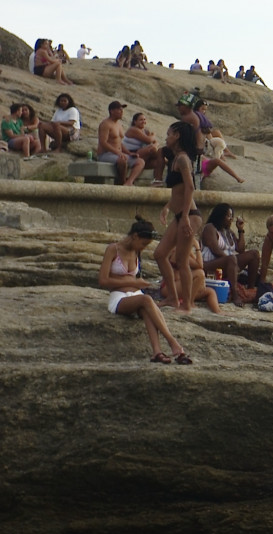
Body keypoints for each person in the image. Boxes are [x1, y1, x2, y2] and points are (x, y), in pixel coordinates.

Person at [98, 217, 191, 363]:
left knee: (147, 309)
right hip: (119, 298)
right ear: (134, 236)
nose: (143, 248)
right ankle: (173, 343)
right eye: (143, 243)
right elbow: (103, 280)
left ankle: (157, 352)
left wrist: (139, 284)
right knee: (146, 299)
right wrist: (133, 281)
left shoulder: (136, 252)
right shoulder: (113, 249)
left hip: (135, 295)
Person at [151, 120, 203, 311]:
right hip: (180, 214)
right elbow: (178, 191)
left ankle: (187, 304)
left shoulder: (182, 159)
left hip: (189, 215)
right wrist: (167, 207)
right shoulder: (174, 159)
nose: (166, 136)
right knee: (160, 254)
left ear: (177, 136)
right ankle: (173, 298)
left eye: (169, 133)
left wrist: (186, 217)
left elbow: (190, 187)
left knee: (181, 262)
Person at [200, 203, 261, 294]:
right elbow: (215, 250)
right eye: (228, 216)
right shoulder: (210, 228)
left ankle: (250, 288)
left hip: (229, 263)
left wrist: (240, 230)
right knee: (232, 258)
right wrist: (232, 261)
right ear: (220, 216)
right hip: (210, 264)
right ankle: (235, 293)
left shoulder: (229, 232)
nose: (231, 219)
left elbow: (241, 249)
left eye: (232, 216)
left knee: (254, 254)